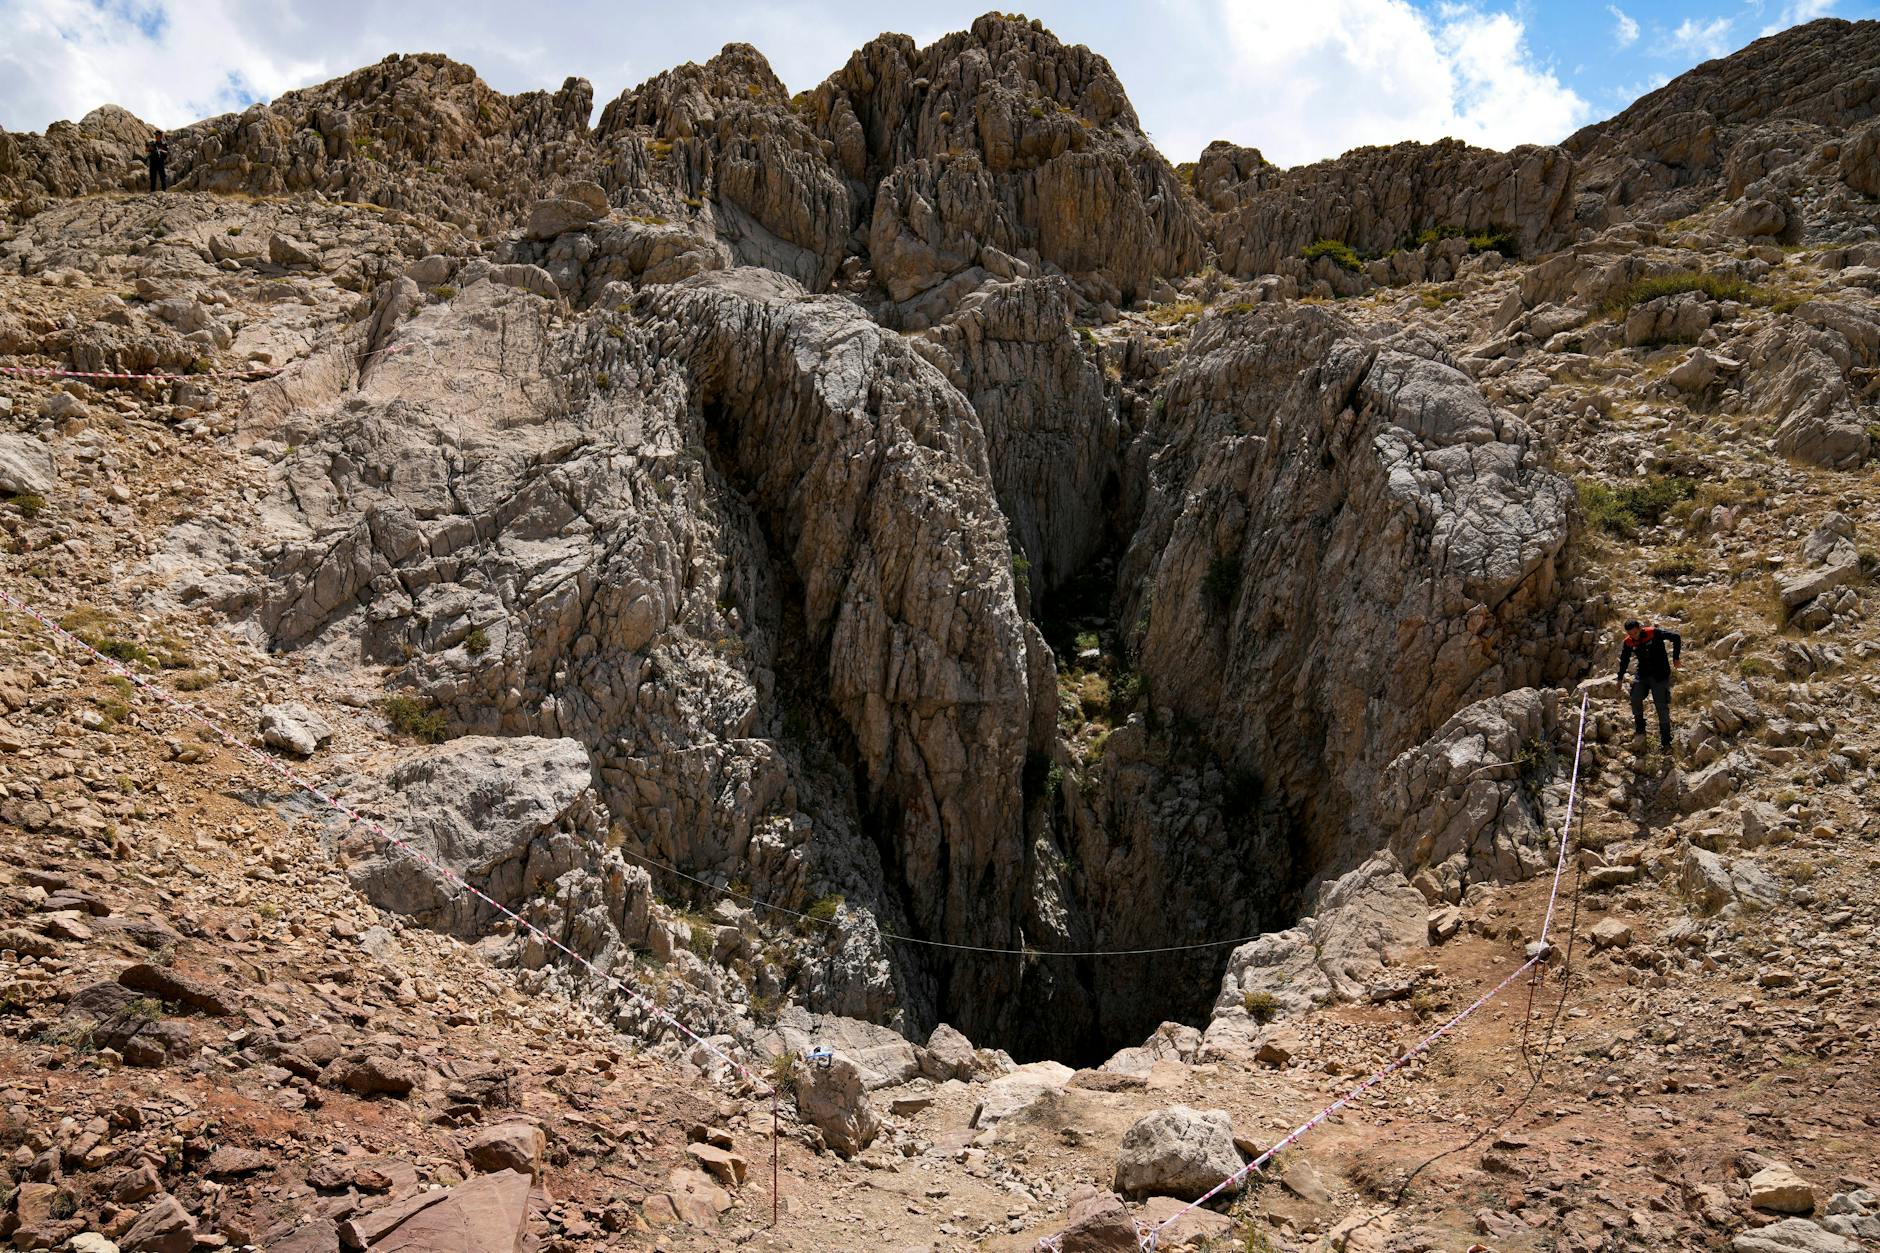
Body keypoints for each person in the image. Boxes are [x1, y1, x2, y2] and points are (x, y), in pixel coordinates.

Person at [1616, 619, 1681, 749]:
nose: (1634, 636)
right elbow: (1624, 660)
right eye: (1631, 634)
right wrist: (1620, 678)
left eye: (1635, 632)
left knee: (1661, 707)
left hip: (1660, 675)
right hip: (1643, 675)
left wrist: (1675, 658)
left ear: (1640, 628)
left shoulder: (1653, 633)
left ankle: (1666, 741)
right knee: (1635, 698)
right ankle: (1640, 728)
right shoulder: (1628, 642)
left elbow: (1676, 637)